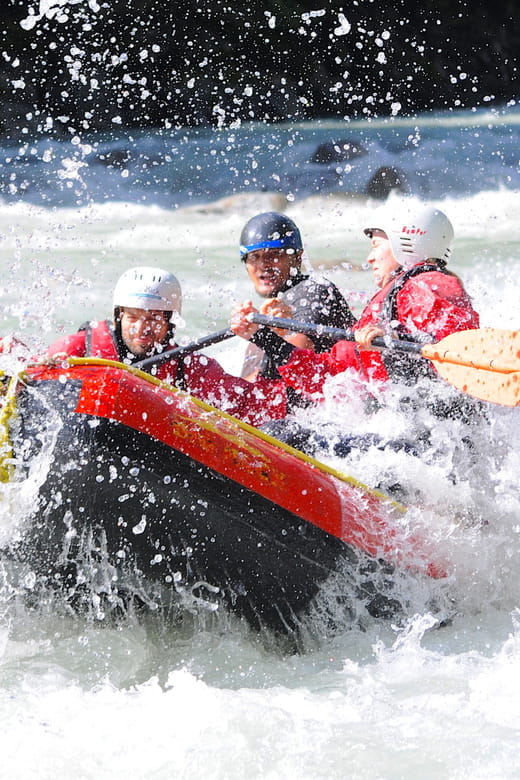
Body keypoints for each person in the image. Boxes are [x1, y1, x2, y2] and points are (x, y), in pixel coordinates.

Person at [231, 205, 481, 451]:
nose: (369, 258)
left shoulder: (431, 284)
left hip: (435, 442)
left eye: (376, 246)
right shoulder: (383, 310)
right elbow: (325, 377)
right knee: (280, 431)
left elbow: (455, 347)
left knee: (281, 436)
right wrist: (264, 337)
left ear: (406, 244)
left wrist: (396, 341)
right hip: (399, 436)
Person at [44, 266, 287, 427]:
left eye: (153, 319)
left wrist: (271, 340)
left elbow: (258, 406)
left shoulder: (188, 368)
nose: (141, 328)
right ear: (119, 317)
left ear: (170, 322)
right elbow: (32, 377)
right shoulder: (79, 347)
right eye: (132, 317)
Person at [238, 211, 355, 382]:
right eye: (255, 256)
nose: (263, 265)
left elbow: (296, 369)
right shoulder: (276, 307)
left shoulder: (313, 292)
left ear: (297, 258)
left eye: (274, 254)